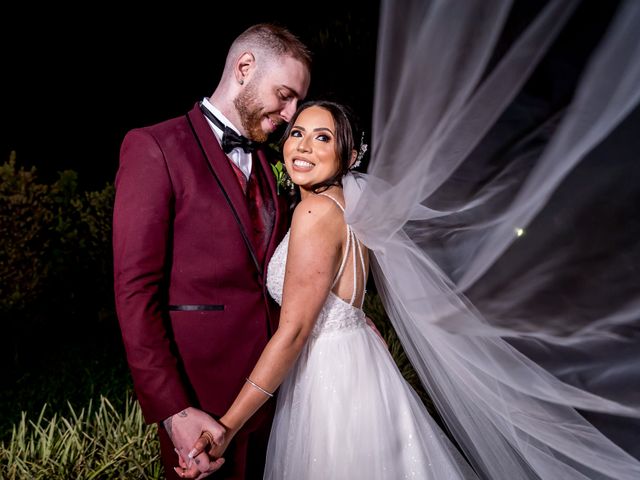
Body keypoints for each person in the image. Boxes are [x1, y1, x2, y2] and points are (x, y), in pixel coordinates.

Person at [179, 100, 480, 479]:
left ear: (350, 155)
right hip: (362, 365)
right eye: (297, 134)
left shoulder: (314, 213)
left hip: (330, 382)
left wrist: (227, 427)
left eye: (322, 137)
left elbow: (294, 333)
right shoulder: (348, 209)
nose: (303, 146)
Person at [112, 23, 311, 480]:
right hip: (200, 406)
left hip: (279, 398)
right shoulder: (155, 147)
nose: (291, 113)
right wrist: (173, 411)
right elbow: (134, 292)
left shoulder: (271, 163)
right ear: (244, 68)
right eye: (284, 95)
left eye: (297, 100)